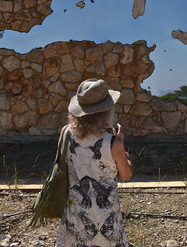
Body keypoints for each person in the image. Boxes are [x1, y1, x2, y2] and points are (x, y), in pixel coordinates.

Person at [56, 78, 133, 247]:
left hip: (75, 211)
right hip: (106, 217)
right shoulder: (112, 143)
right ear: (105, 111)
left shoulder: (65, 133)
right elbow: (126, 174)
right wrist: (122, 145)